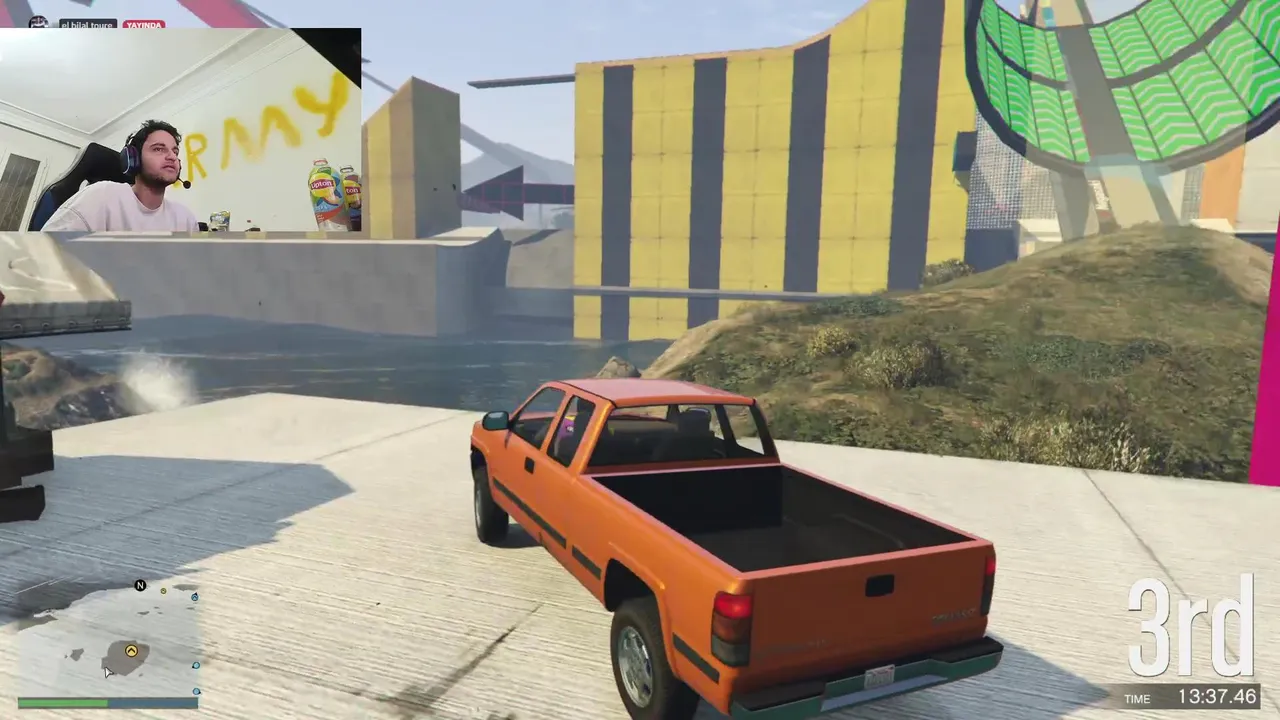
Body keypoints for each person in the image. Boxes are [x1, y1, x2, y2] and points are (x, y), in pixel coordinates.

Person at [42, 120, 199, 233]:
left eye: (175, 151)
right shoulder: (101, 196)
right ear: (133, 158)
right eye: (158, 149)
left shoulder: (185, 219)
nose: (172, 157)